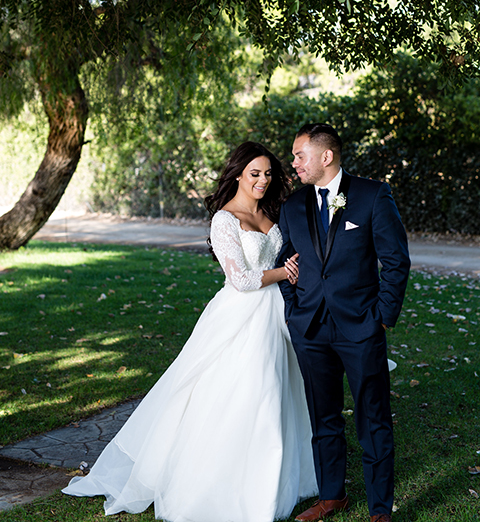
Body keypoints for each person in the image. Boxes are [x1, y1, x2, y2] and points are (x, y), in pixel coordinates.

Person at [63, 141, 318, 522]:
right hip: (241, 314)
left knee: (282, 392)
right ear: (237, 174)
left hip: (277, 312)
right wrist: (284, 273)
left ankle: (280, 475)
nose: (262, 180)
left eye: (267, 173)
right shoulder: (224, 220)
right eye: (254, 173)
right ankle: (227, 483)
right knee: (250, 392)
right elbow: (240, 278)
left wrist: (293, 264)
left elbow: (284, 253)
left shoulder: (272, 211)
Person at [276, 124, 410, 522]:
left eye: (300, 155)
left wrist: (382, 318)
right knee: (323, 417)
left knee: (373, 418)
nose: (295, 163)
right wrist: (293, 309)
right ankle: (332, 496)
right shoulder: (293, 205)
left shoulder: (371, 195)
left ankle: (380, 509)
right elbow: (285, 262)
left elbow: (396, 260)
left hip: (362, 327)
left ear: (326, 156)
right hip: (310, 329)